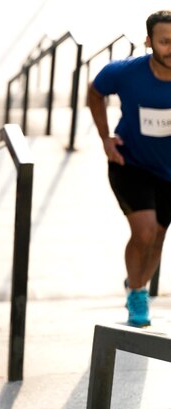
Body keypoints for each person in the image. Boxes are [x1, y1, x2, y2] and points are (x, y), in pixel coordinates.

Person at [87, 10, 171, 327]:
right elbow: (95, 92)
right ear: (149, 42)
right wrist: (104, 138)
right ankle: (137, 294)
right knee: (145, 231)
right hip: (130, 163)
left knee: (159, 237)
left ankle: (136, 281)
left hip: (168, 171)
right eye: (165, 42)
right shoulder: (124, 73)